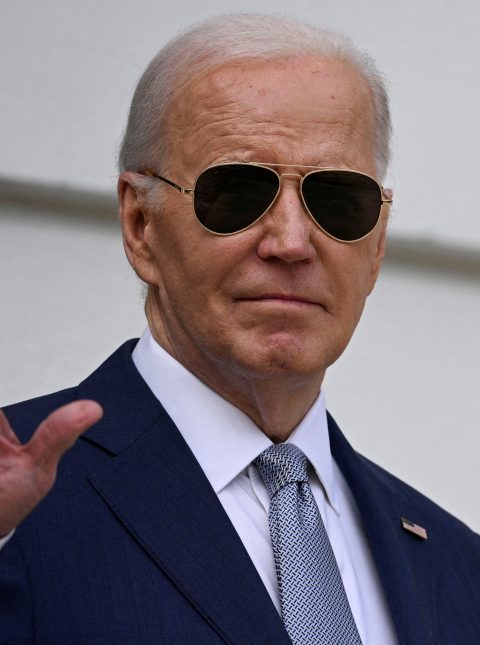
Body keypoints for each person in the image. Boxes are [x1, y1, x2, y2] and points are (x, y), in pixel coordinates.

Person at [1, 13, 479, 645]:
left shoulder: (458, 566)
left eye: (339, 201)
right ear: (141, 225)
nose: (291, 242)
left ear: (377, 245)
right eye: (236, 194)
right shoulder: (18, 506)